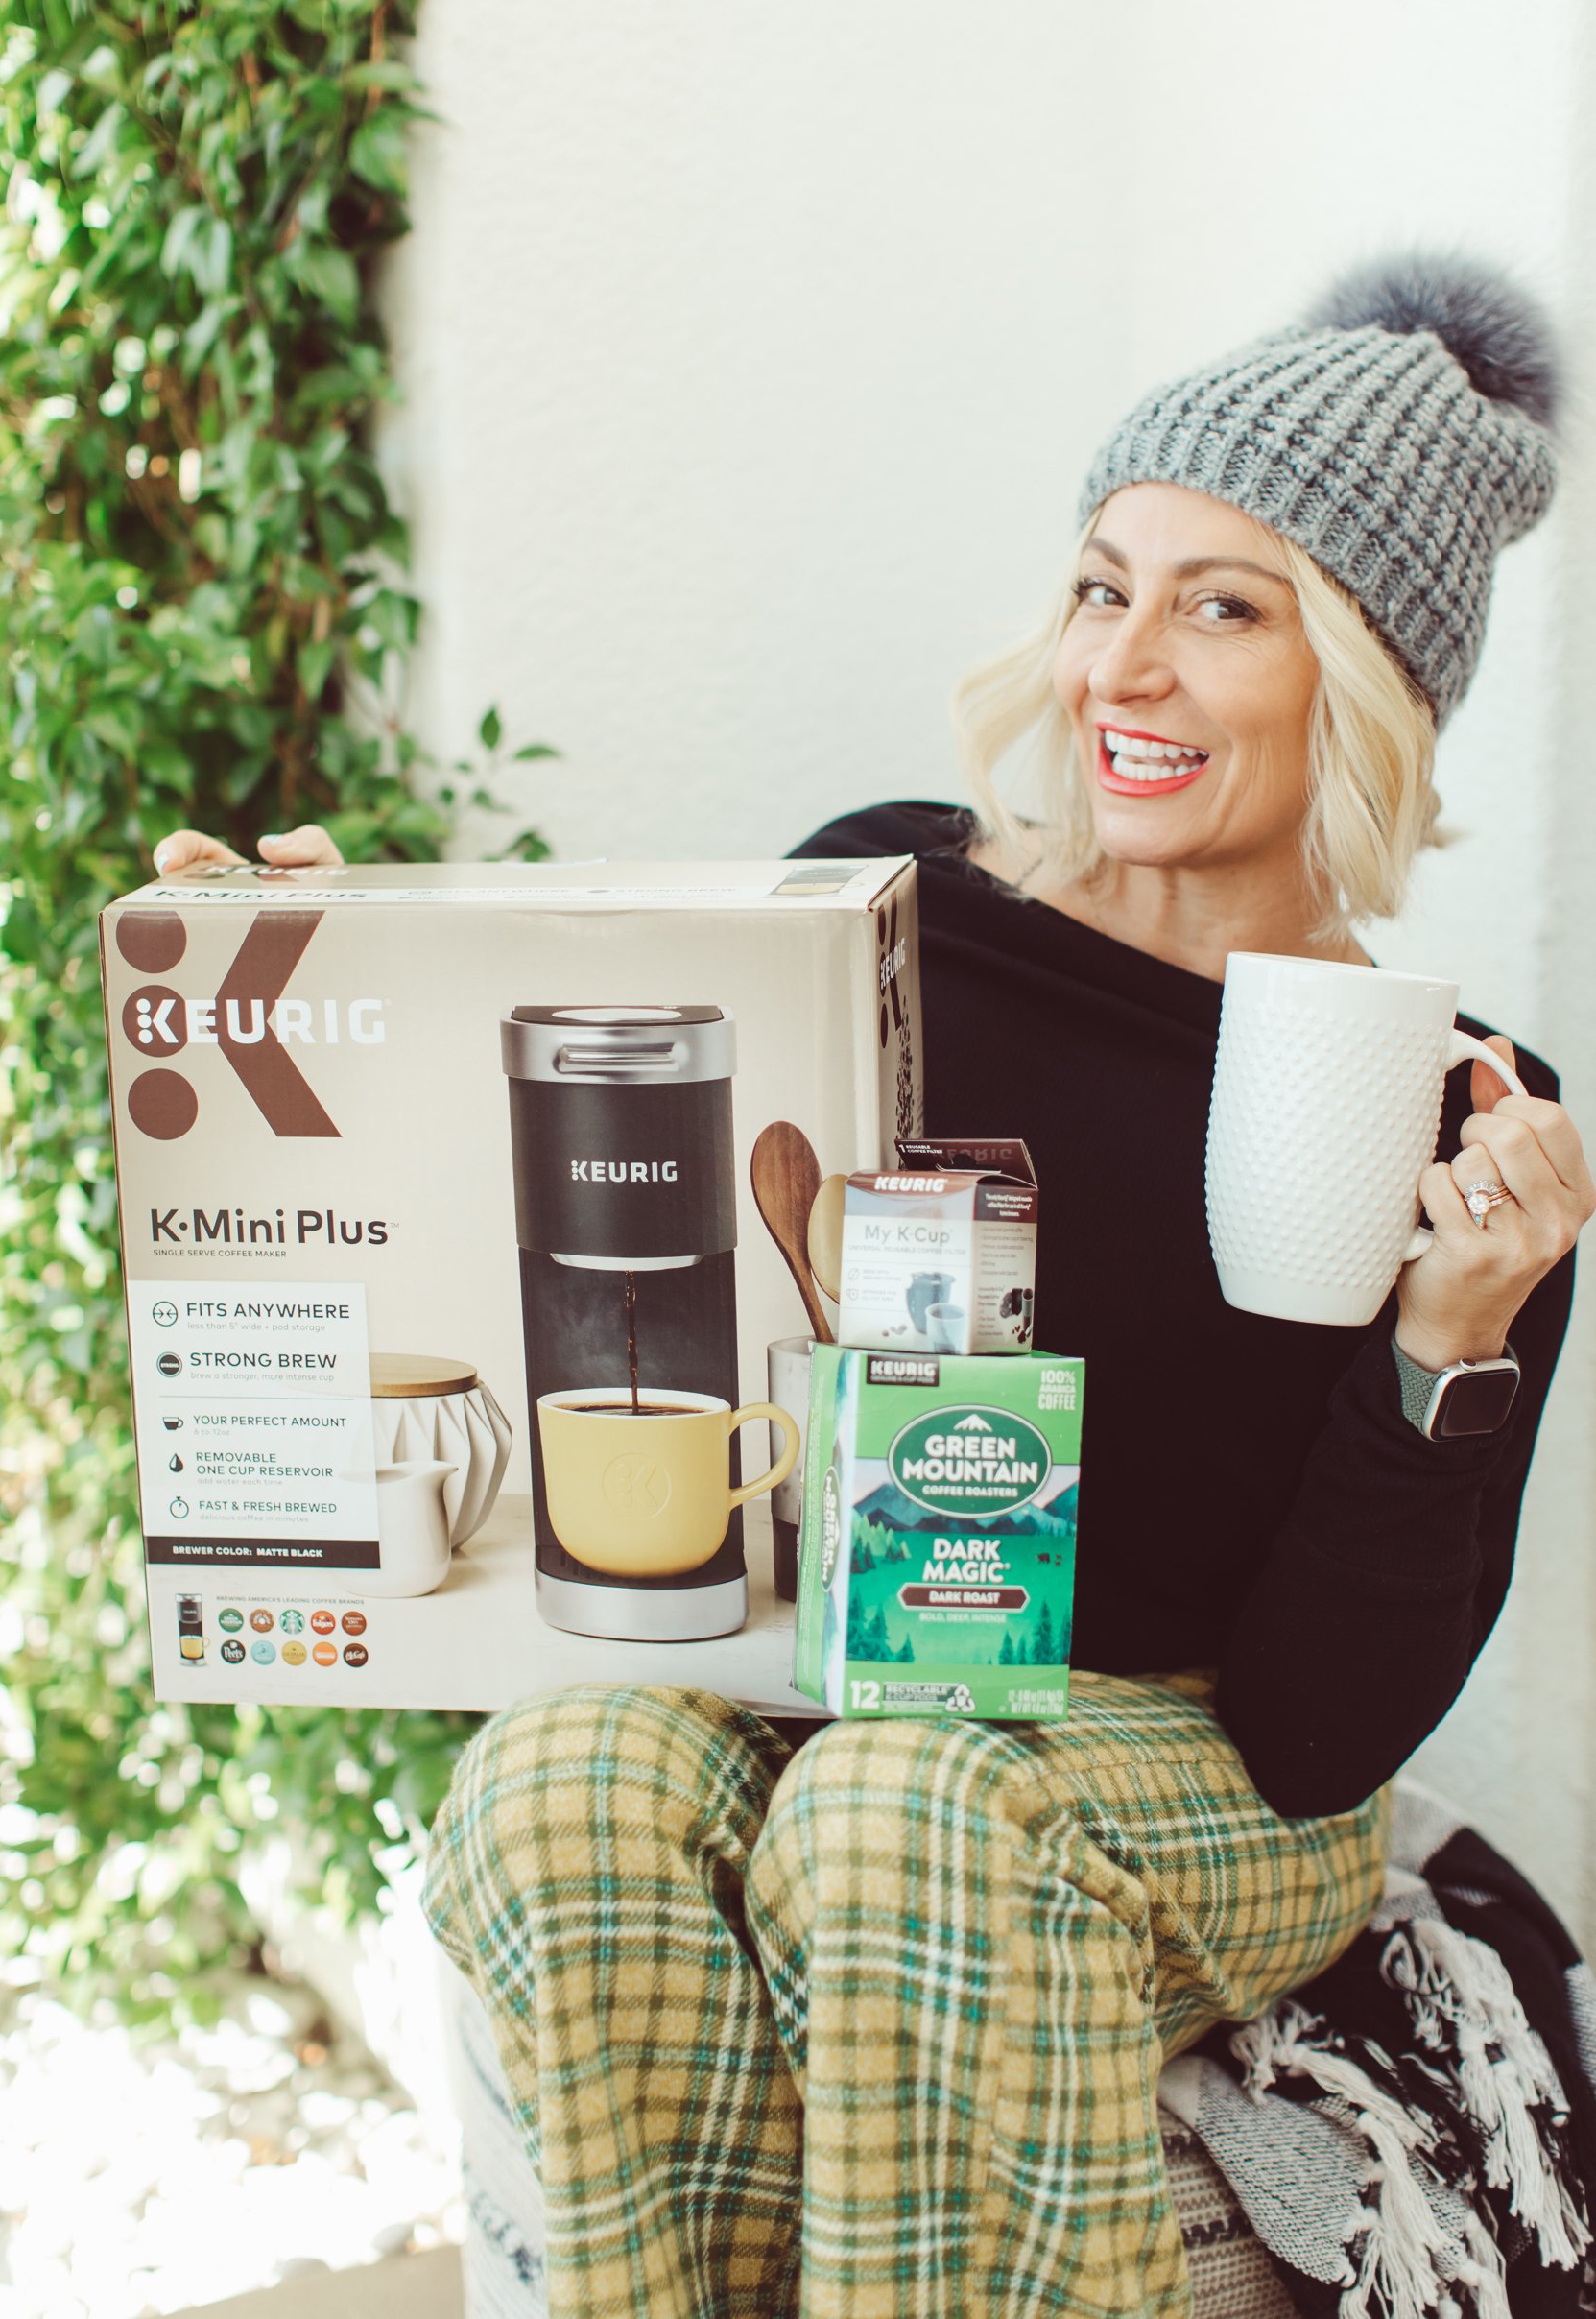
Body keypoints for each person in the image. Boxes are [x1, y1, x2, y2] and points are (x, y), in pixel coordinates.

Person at [155, 254, 1596, 2318]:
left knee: (907, 1806)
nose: (1128, 668)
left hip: (1179, 1760)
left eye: (1225, 605)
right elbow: (612, 1197)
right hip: (843, 1670)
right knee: (565, 1778)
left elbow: (1317, 1727)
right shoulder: (892, 905)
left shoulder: (1466, 1110)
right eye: (1106, 586)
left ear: (1369, 676)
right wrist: (320, 967)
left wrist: (1442, 1347)